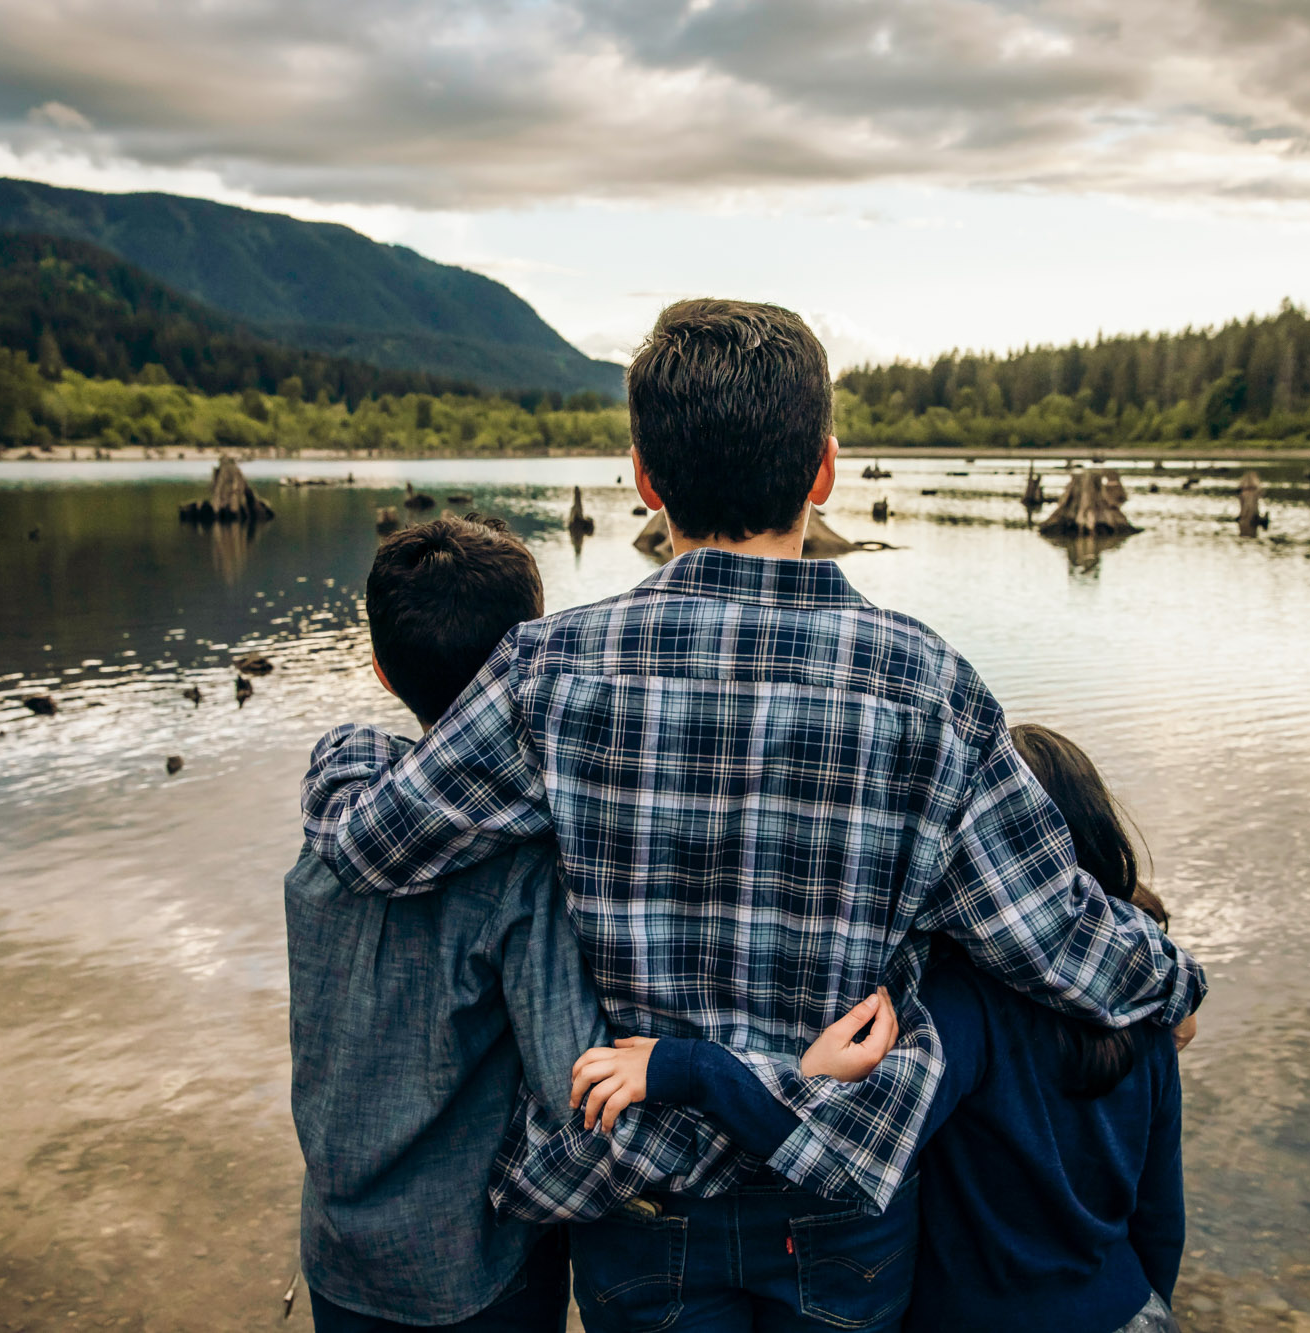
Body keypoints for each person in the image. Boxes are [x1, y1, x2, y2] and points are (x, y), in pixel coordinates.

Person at [302, 299, 1205, 1331]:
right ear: (822, 472)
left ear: (644, 477)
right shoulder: (927, 686)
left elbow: (377, 849)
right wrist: (1172, 982)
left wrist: (346, 757)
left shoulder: (544, 674)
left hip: (638, 1198)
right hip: (837, 1204)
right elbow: (1055, 933)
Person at [577, 723, 1188, 1333]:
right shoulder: (1146, 1003)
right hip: (1130, 1309)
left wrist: (685, 1067)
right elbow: (1162, 1214)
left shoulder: (962, 1008)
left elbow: (848, 1144)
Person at [285, 515, 588, 1333]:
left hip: (339, 1252)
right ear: (521, 664)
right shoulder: (520, 870)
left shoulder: (325, 837)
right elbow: (572, 1088)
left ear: (382, 669)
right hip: (476, 1269)